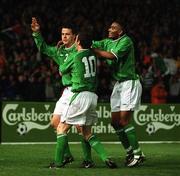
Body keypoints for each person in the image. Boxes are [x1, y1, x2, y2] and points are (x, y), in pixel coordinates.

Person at [31, 17, 94, 168]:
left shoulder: (80, 50)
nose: (64, 37)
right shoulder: (58, 51)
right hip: (66, 92)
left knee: (81, 128)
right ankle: (67, 156)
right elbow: (44, 48)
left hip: (78, 91)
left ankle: (87, 159)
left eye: (67, 34)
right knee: (55, 123)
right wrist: (37, 33)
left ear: (74, 37)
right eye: (62, 34)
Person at [49, 31, 117, 169]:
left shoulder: (75, 56)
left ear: (78, 42)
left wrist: (62, 51)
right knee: (86, 132)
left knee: (61, 128)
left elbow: (61, 70)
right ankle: (105, 158)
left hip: (79, 95)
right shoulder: (92, 54)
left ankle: (57, 163)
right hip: (92, 96)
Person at [93, 20, 145, 167]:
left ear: (120, 32)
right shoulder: (108, 42)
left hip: (129, 83)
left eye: (113, 28)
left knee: (124, 121)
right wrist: (76, 42)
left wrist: (96, 52)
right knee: (115, 123)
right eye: (109, 27)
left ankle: (138, 154)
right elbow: (94, 43)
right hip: (118, 84)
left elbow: (112, 56)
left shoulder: (126, 41)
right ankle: (130, 151)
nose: (110, 29)